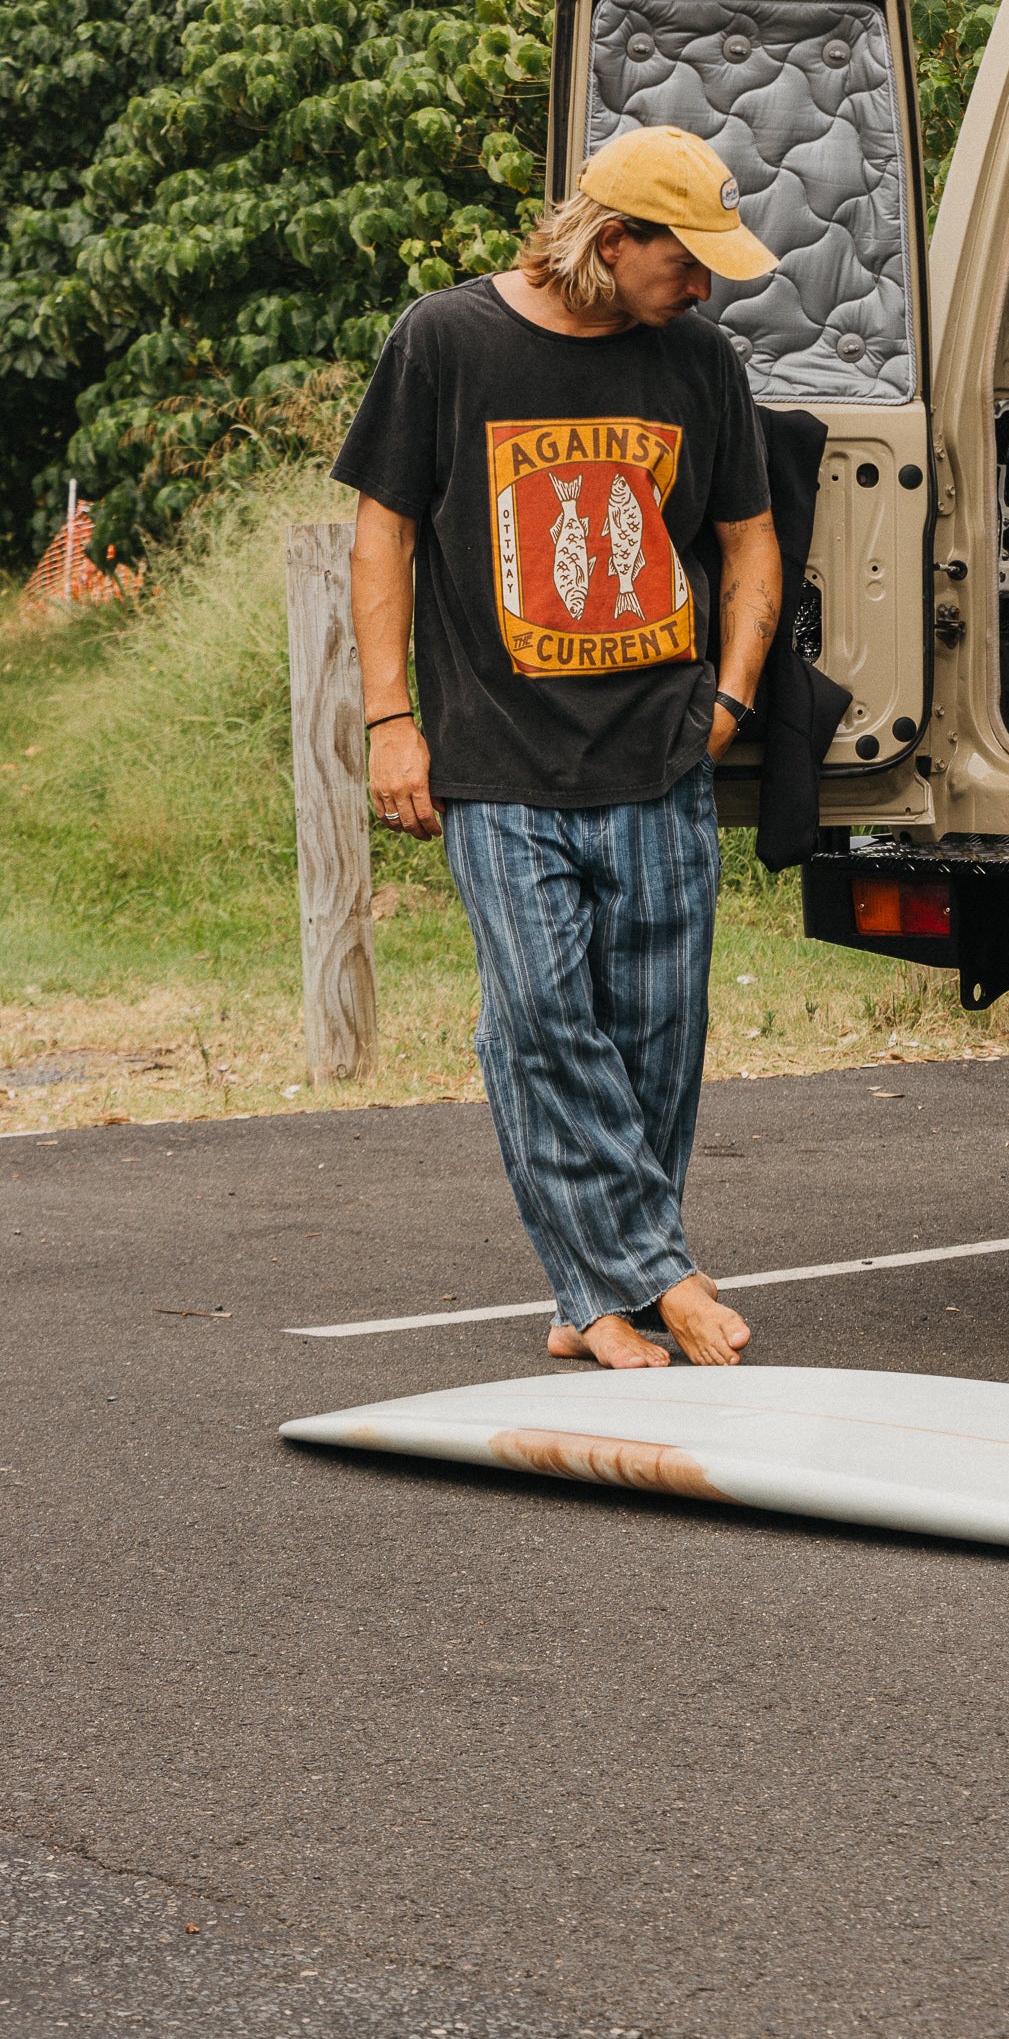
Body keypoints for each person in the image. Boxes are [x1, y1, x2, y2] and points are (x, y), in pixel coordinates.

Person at [332, 126, 786, 1371]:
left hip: (659, 752)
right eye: (683, 262)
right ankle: (661, 1271)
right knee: (537, 1014)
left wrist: (731, 701)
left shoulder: (696, 360)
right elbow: (382, 537)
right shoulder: (447, 338)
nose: (701, 286)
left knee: (655, 1032)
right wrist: (388, 723)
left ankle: (596, 1294)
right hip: (496, 753)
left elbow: (748, 540)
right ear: (608, 239)